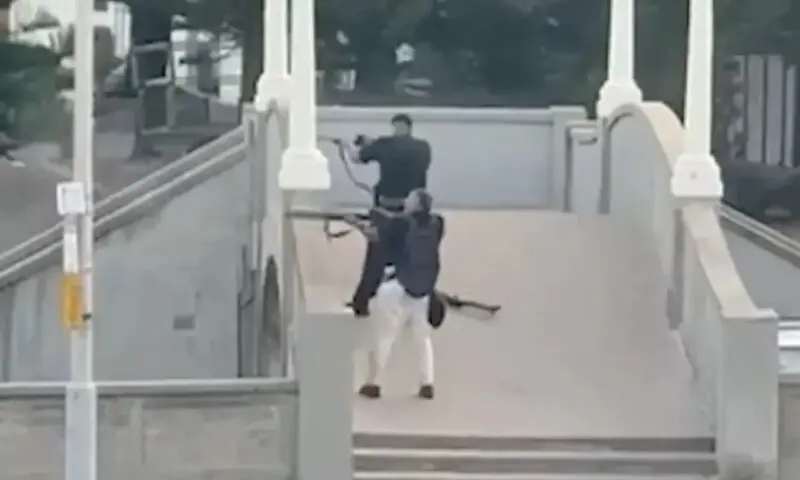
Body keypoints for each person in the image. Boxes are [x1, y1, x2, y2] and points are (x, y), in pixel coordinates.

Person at [346, 189, 445, 400]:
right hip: (422, 288)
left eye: (409, 200)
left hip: (395, 286)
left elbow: (375, 236)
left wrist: (356, 223)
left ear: (415, 205)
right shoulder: (436, 224)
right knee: (422, 338)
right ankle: (427, 383)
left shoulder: (399, 225)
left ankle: (375, 383)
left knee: (385, 336)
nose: (405, 202)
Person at [345, 114, 432, 316]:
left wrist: (347, 145)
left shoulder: (385, 145)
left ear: (395, 127)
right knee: (411, 255)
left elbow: (357, 157)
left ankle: (362, 302)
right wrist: (374, 143)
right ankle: (417, 301)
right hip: (413, 209)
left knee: (376, 257)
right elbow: (395, 150)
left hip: (386, 208)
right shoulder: (423, 148)